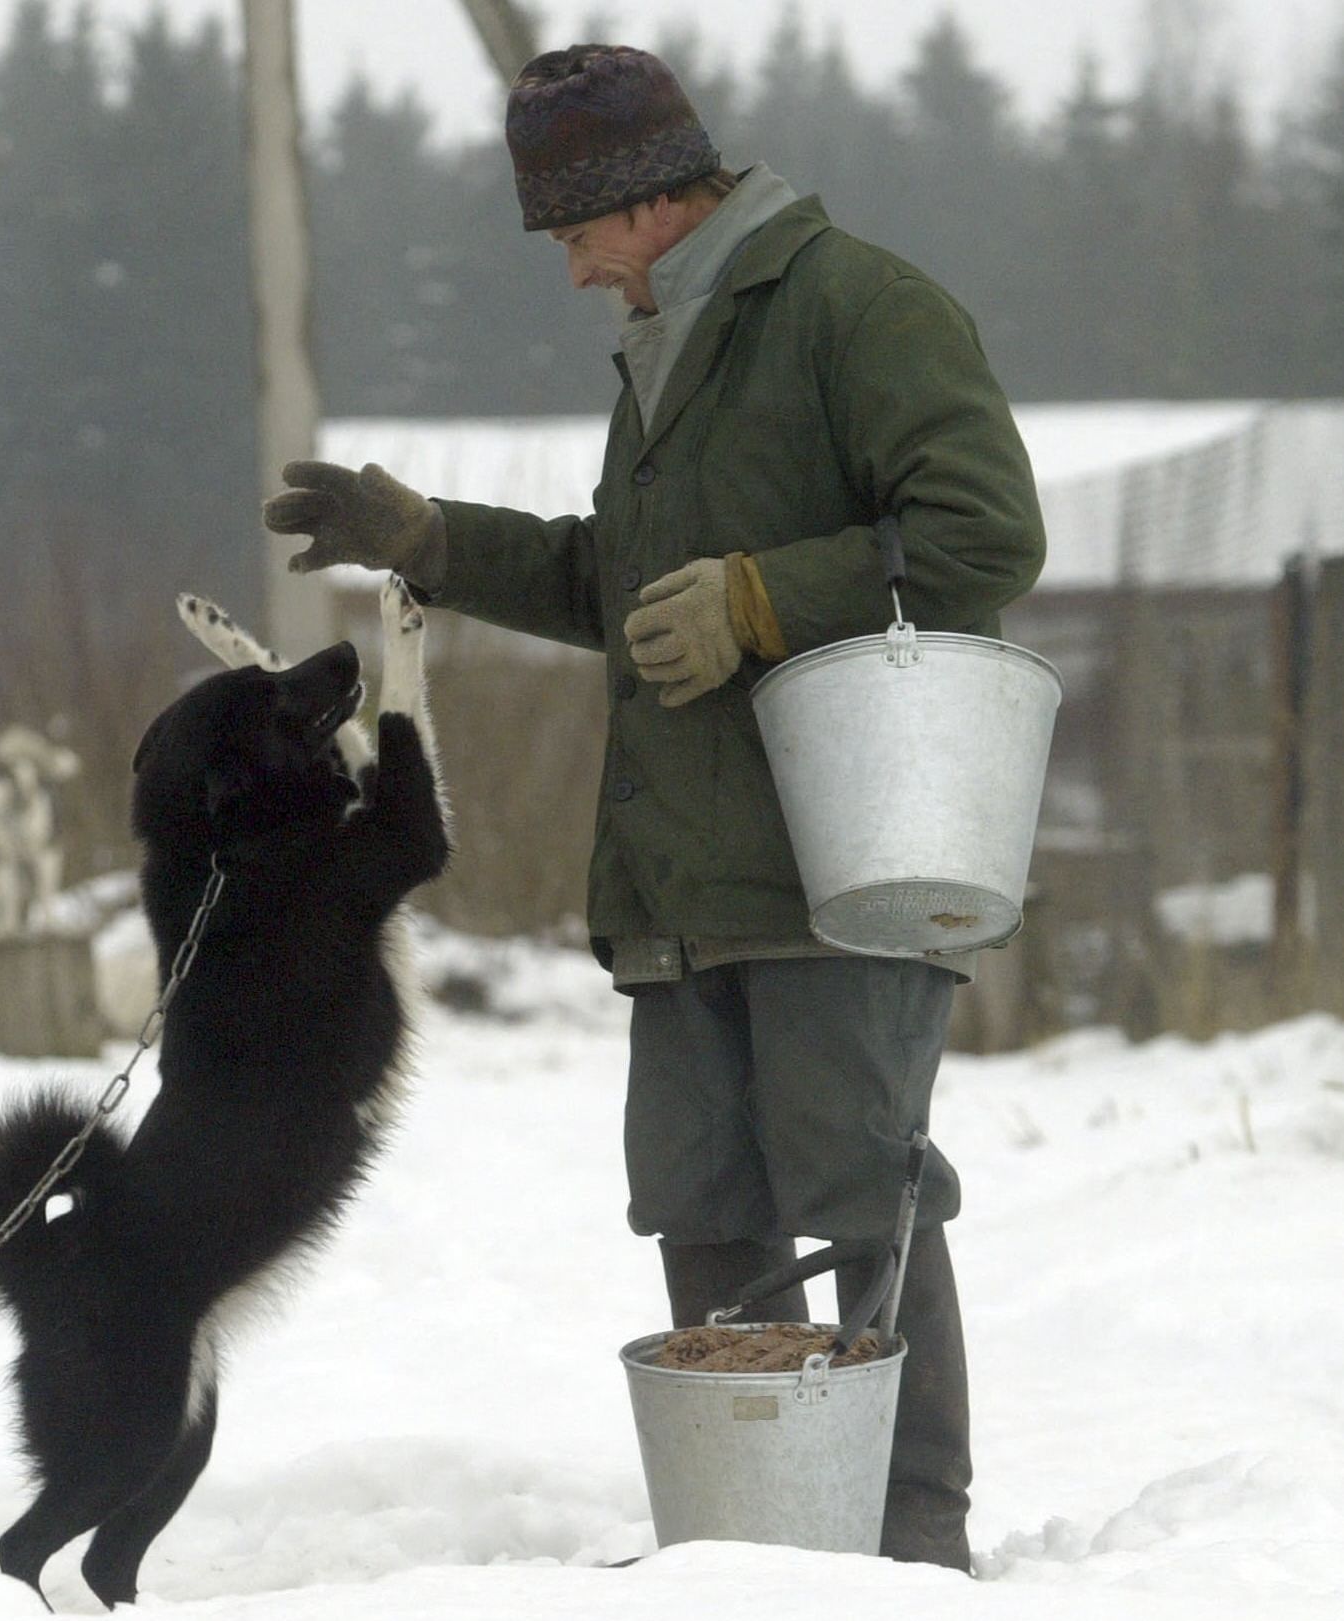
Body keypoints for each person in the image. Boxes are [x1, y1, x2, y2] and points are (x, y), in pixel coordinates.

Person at [265, 44, 1044, 1572]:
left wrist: (768, 596)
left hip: (838, 848)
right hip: (685, 868)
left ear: (645, 201)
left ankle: (908, 1543)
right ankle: (753, 1546)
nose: (566, 274)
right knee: (702, 1195)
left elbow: (982, 533)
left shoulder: (857, 311)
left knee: (858, 1190)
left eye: (569, 236)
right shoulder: (663, 344)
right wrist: (429, 537)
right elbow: (617, 591)